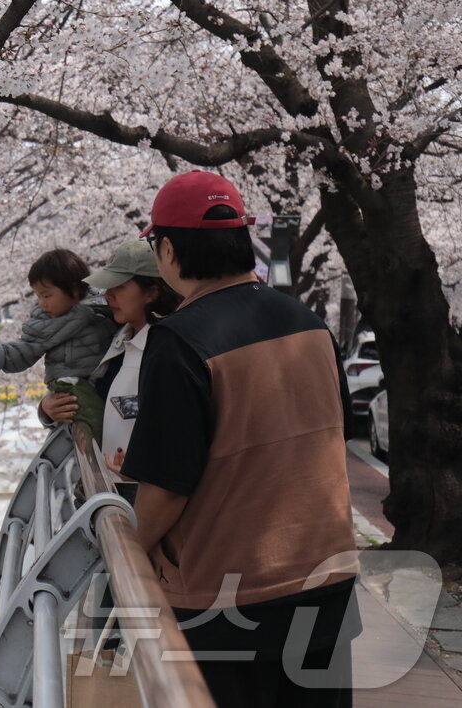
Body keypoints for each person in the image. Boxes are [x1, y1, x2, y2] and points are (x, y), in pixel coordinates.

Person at [121, 170, 357, 708]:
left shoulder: (178, 340)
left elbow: (166, 486)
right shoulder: (308, 322)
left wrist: (125, 554)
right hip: (325, 580)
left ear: (169, 250)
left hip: (226, 599)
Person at [37, 239, 182, 501]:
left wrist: (146, 465)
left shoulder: (173, 351)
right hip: (104, 490)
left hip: (145, 498)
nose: (108, 295)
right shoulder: (110, 338)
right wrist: (47, 408)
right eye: (108, 286)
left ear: (152, 292)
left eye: (120, 286)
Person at [0, 248, 117, 441]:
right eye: (39, 296)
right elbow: (25, 348)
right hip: (71, 383)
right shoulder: (44, 322)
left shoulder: (103, 307)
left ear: (74, 289)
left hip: (102, 381)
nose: (42, 304)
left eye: (47, 296)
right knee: (95, 426)